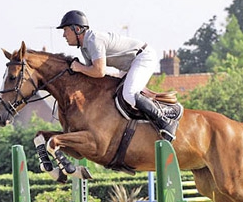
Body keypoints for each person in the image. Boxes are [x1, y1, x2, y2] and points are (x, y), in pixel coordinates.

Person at [56, 10, 178, 141]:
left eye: (65, 30)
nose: (64, 35)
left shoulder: (93, 40)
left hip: (143, 57)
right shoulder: (84, 47)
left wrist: (78, 67)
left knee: (129, 94)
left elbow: (99, 71)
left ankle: (165, 121)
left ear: (77, 29)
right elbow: (93, 75)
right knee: (116, 96)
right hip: (129, 65)